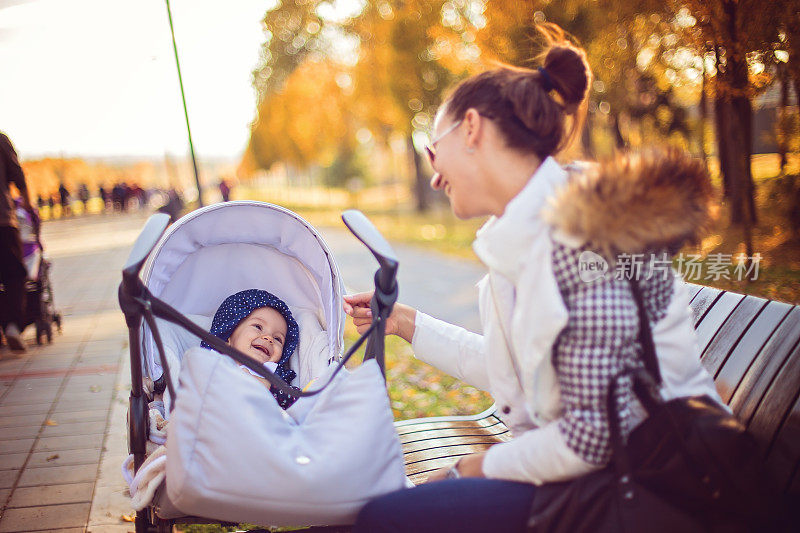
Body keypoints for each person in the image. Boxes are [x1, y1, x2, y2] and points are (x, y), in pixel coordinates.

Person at [345, 25, 722, 532]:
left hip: (642, 486)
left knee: (382, 519)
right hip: (595, 475)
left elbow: (591, 440)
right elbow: (522, 375)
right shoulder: (526, 230)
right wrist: (407, 323)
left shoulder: (588, 235)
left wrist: (467, 469)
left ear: (472, 129)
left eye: (434, 151)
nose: (434, 176)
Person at [200, 289, 302, 409]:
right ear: (228, 335)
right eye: (258, 327)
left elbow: (303, 403)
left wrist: (270, 387)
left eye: (278, 339)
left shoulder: (275, 382)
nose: (269, 338)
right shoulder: (211, 364)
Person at [0, 132, 34, 353]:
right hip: (2, 220)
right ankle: (12, 326)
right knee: (15, 274)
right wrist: (28, 203)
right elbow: (17, 174)